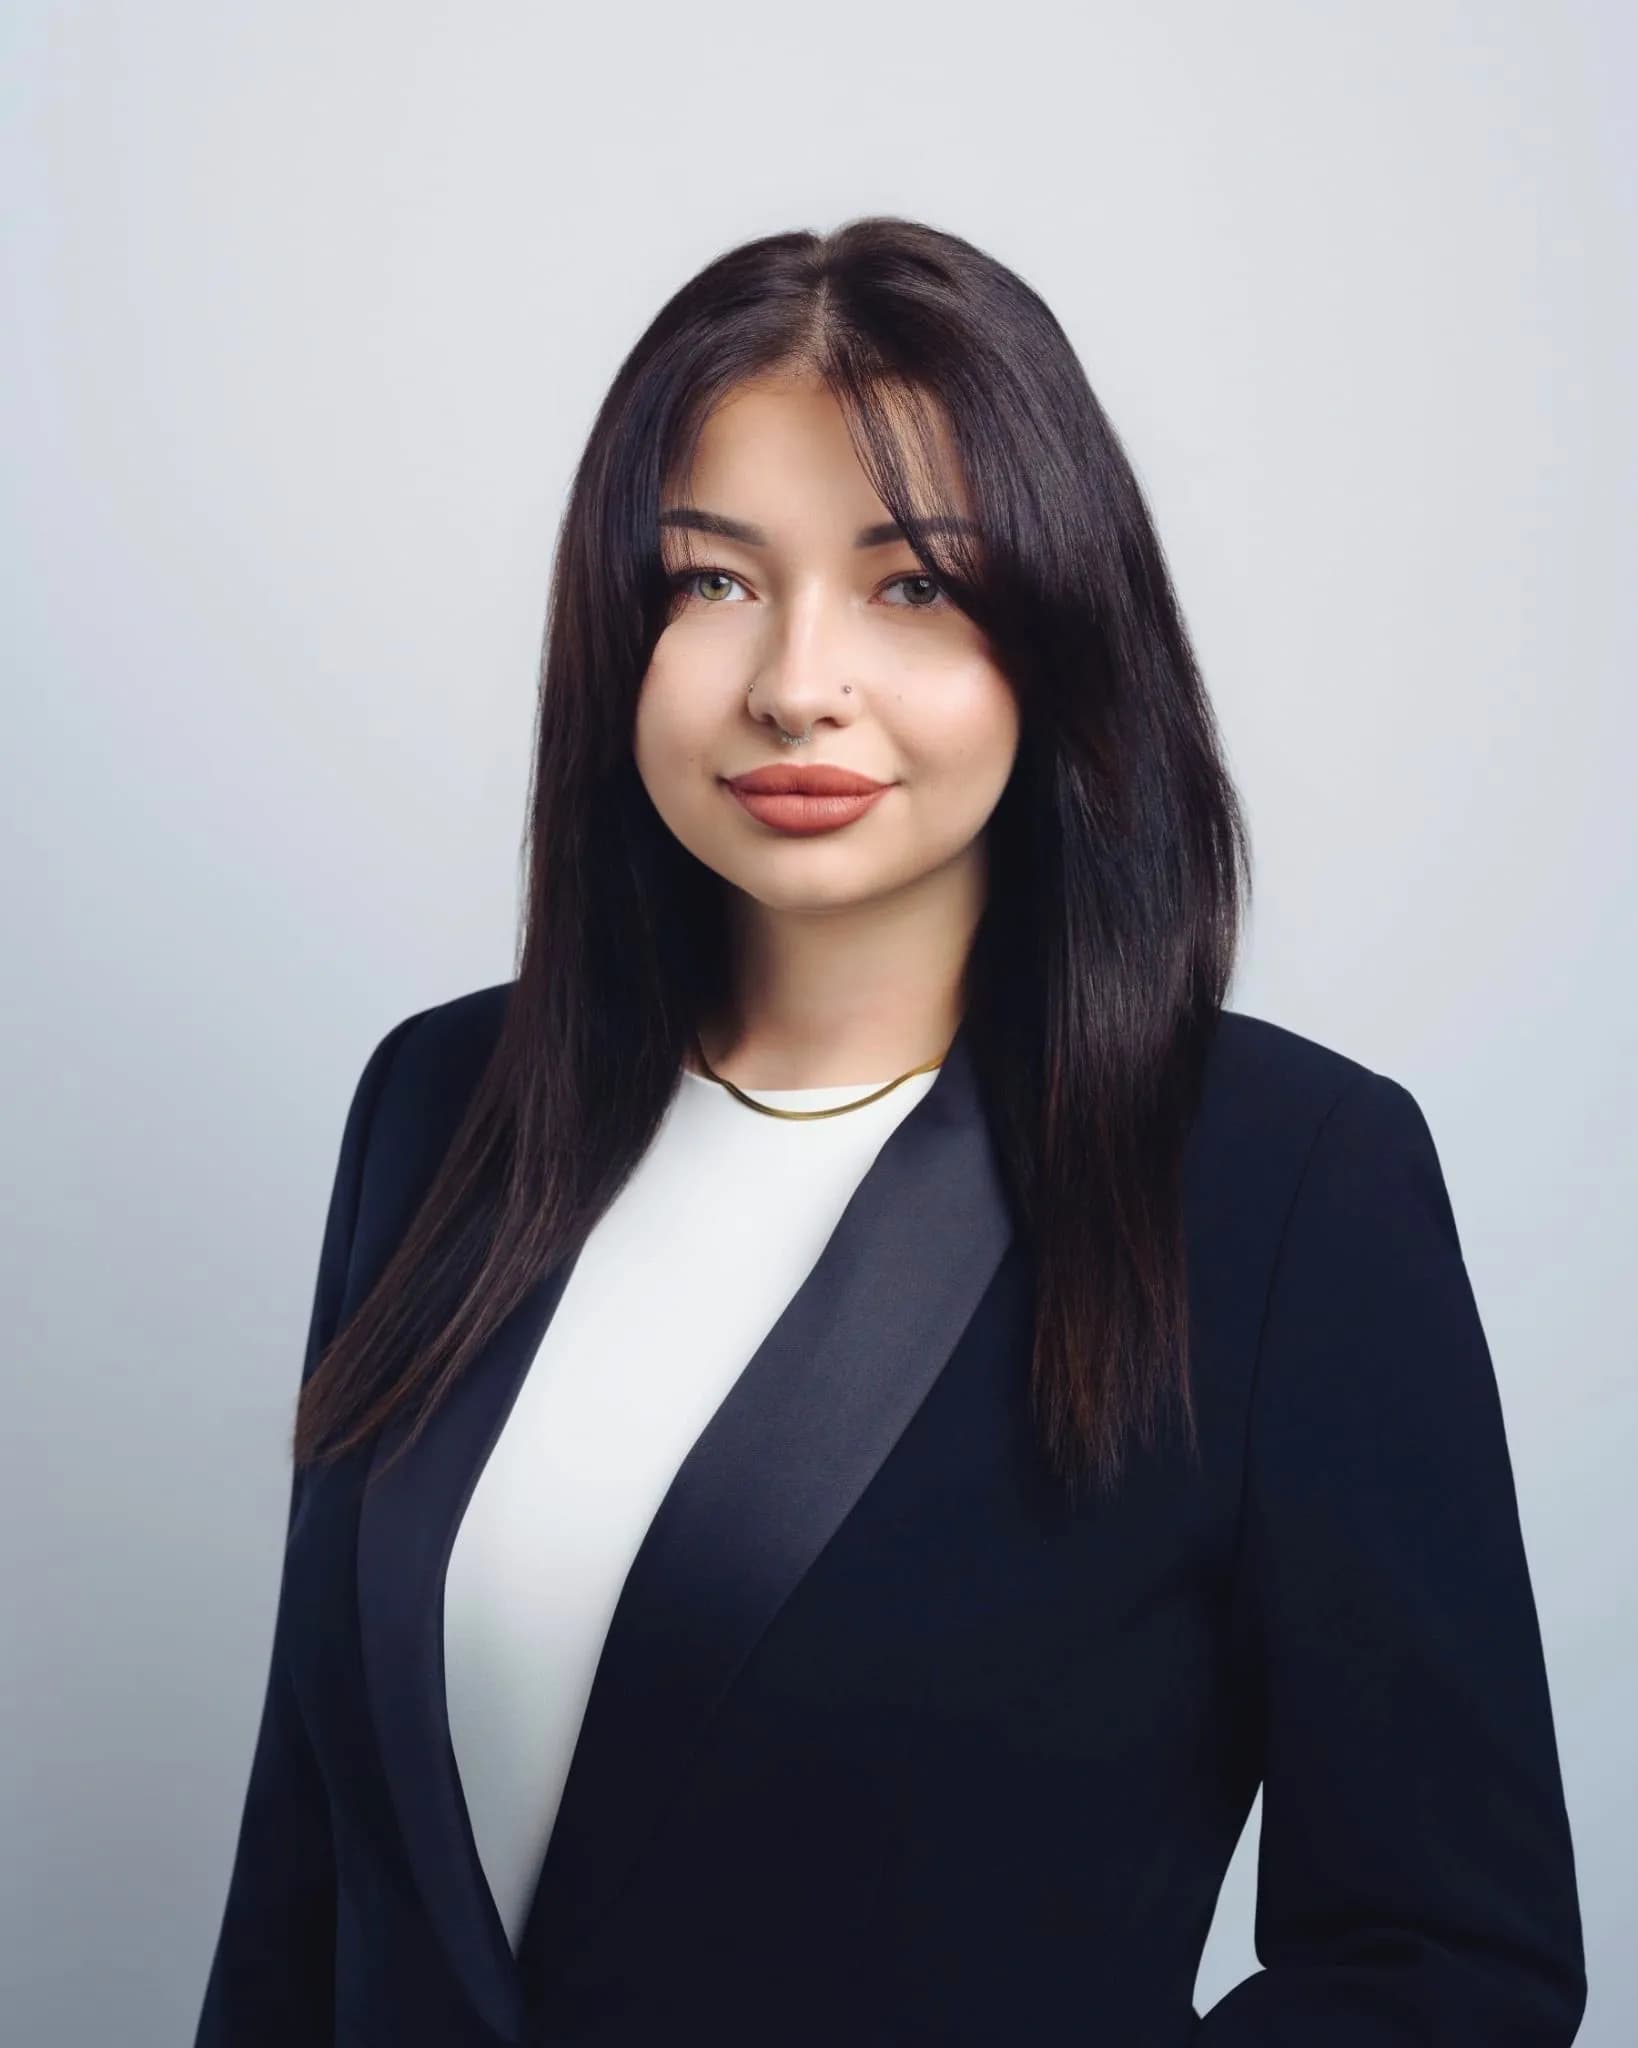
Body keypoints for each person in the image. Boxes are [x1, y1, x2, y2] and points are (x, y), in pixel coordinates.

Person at [193, 216, 1586, 2047]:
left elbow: (1448, 1961)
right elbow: (304, 1891)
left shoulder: (1278, 1181)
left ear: (1061, 638)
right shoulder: (442, 1103)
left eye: (912, 584)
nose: (796, 681)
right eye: (710, 580)